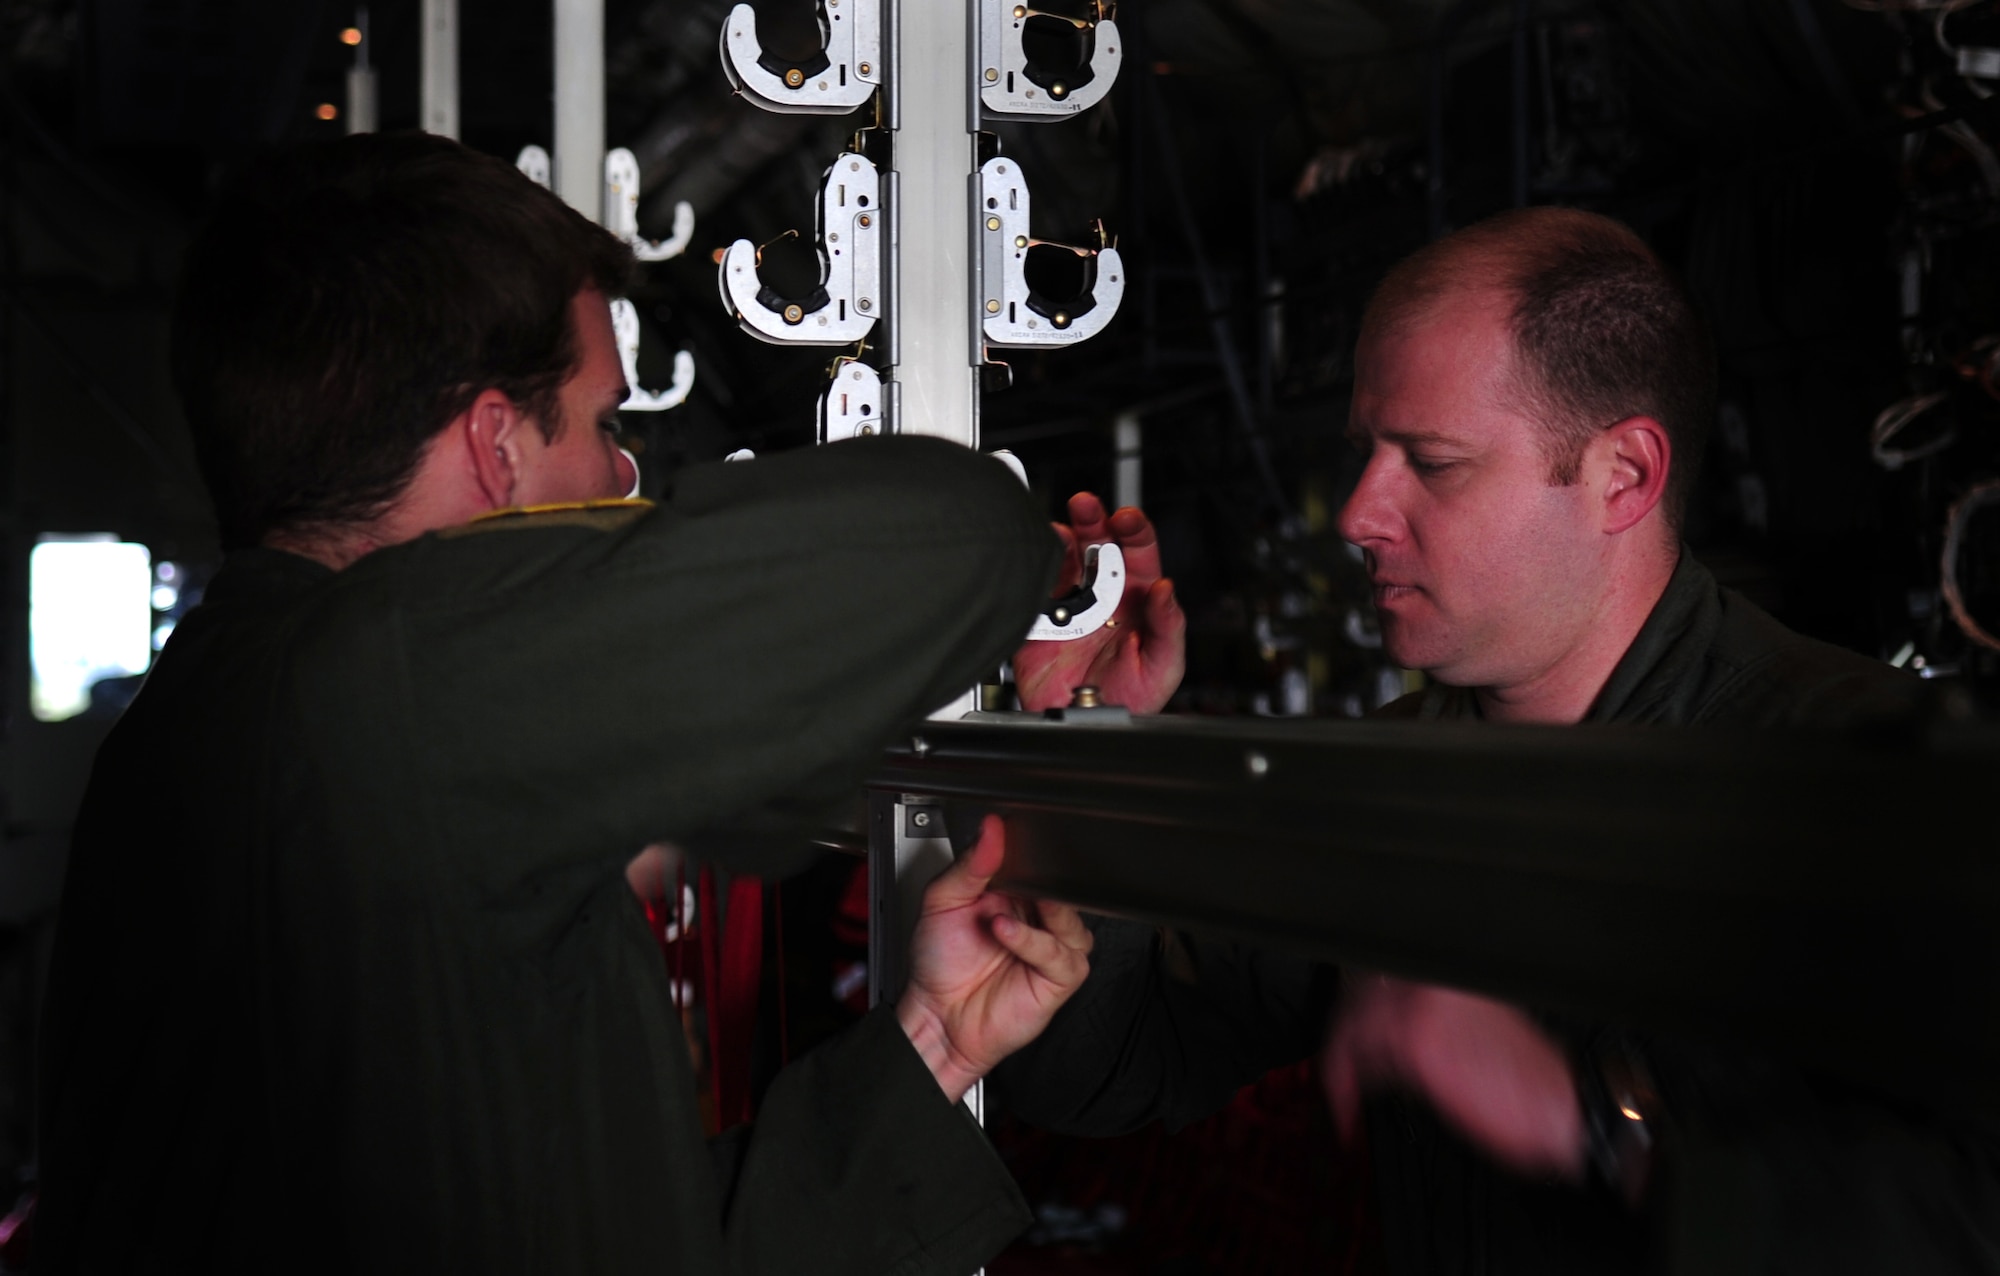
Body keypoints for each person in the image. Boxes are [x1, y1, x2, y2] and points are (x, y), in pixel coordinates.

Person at [34, 131, 1104, 1274]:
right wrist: (1047, 570)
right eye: (604, 423)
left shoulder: (240, 725)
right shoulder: (372, 697)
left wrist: (932, 1043)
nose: (623, 475)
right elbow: (952, 535)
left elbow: (608, 1230)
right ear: (495, 444)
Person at [993, 207, 2000, 1272]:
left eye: (1429, 461)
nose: (1357, 514)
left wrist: (1591, 1134)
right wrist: (1094, 740)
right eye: (1364, 455)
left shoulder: (1851, 790)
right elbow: (1103, 1073)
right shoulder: (1386, 787)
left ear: (1622, 475)